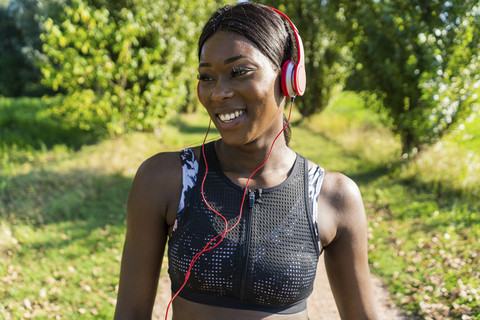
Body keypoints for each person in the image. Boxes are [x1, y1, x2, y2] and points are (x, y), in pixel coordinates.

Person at [114, 3, 378, 320]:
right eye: (207, 76)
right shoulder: (165, 179)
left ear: (290, 78)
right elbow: (130, 313)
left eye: (239, 72)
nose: (218, 93)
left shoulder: (334, 196)